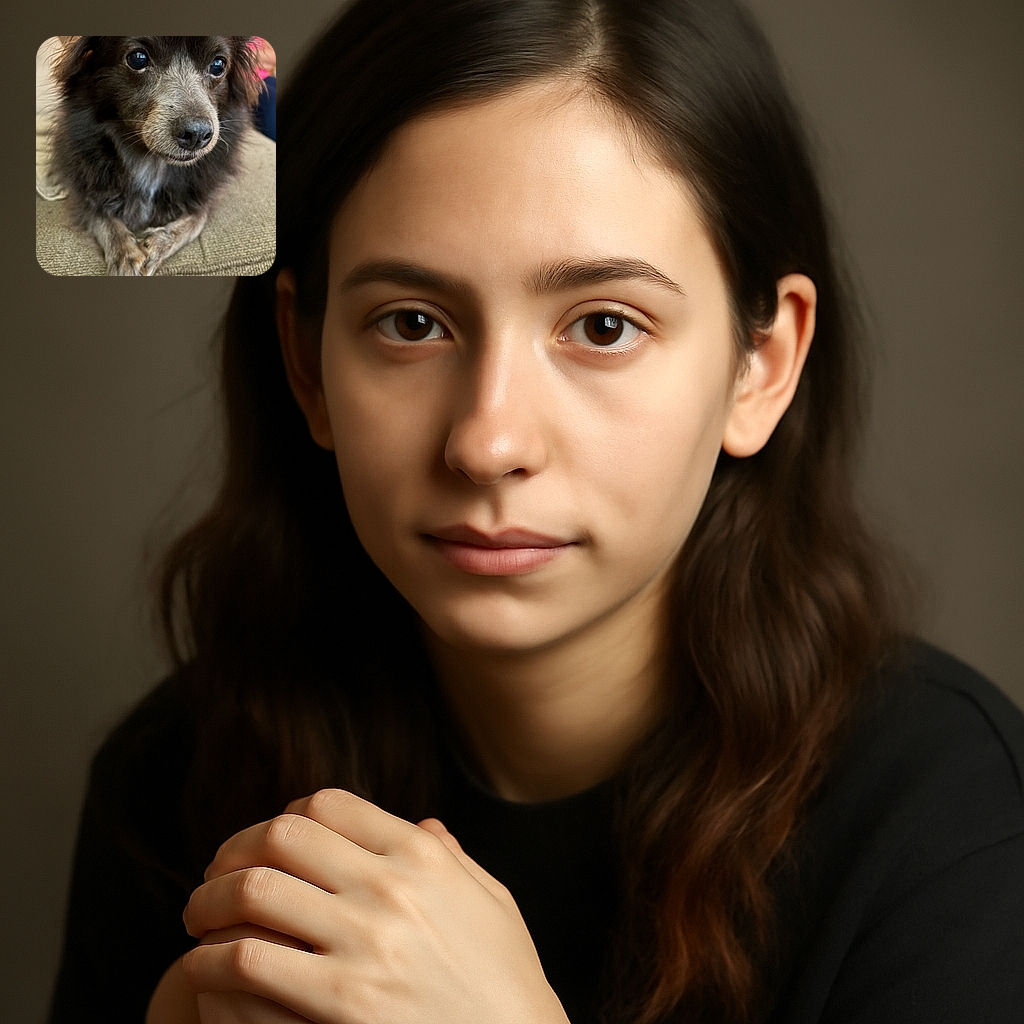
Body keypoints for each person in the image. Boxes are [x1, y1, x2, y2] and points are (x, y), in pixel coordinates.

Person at [48, 1, 1024, 1022]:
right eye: (411, 322)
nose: (488, 441)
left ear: (760, 366)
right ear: (306, 363)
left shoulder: (953, 829)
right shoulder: (172, 784)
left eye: (603, 325)